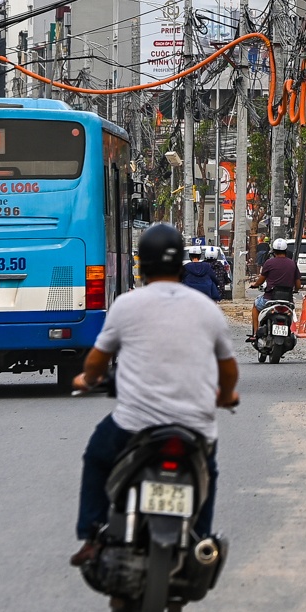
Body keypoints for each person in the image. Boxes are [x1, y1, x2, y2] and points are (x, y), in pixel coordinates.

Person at [71, 223, 238, 566]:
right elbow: (228, 368)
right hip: (195, 427)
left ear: (141, 265)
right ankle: (200, 542)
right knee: (207, 474)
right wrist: (226, 395)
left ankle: (91, 534)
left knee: (97, 458)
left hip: (135, 425)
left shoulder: (126, 305)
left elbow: (97, 360)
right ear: (181, 265)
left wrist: (87, 379)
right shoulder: (207, 309)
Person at [250, 237, 302, 337]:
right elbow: (298, 285)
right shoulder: (292, 264)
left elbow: (260, 281)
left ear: (273, 251)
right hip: (288, 300)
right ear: (286, 251)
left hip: (269, 299)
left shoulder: (269, 263)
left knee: (255, 307)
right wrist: (295, 290)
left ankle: (256, 333)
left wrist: (255, 285)